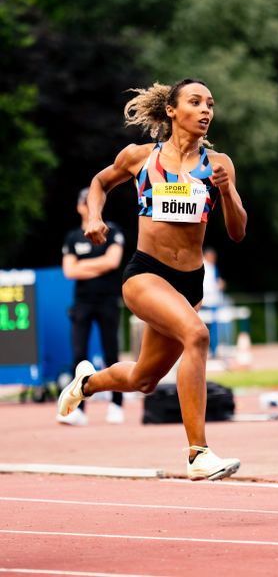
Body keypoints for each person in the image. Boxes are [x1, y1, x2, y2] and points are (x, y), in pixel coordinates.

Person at [57, 78, 247, 480]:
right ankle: (198, 454)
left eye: (210, 104)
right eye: (195, 102)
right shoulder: (141, 157)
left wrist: (227, 194)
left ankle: (87, 383)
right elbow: (99, 183)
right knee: (197, 336)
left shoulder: (219, 165)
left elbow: (237, 232)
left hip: (189, 282)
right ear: (172, 111)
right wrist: (94, 217)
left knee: (144, 379)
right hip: (146, 273)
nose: (205, 110)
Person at [57, 187, 125, 426]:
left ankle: (116, 404)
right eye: (85, 202)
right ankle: (79, 409)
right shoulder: (73, 237)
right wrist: (100, 264)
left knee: (111, 353)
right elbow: (69, 271)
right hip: (82, 303)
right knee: (79, 355)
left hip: (107, 300)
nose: (89, 206)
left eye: (92, 201)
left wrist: (84, 265)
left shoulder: (113, 231)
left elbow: (113, 261)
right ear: (79, 207)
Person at [202, 247, 226, 357]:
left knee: (214, 328)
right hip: (204, 302)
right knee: (202, 328)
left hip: (213, 302)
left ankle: (213, 350)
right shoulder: (202, 266)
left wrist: (219, 284)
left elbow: (215, 283)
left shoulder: (213, 268)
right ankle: (204, 350)